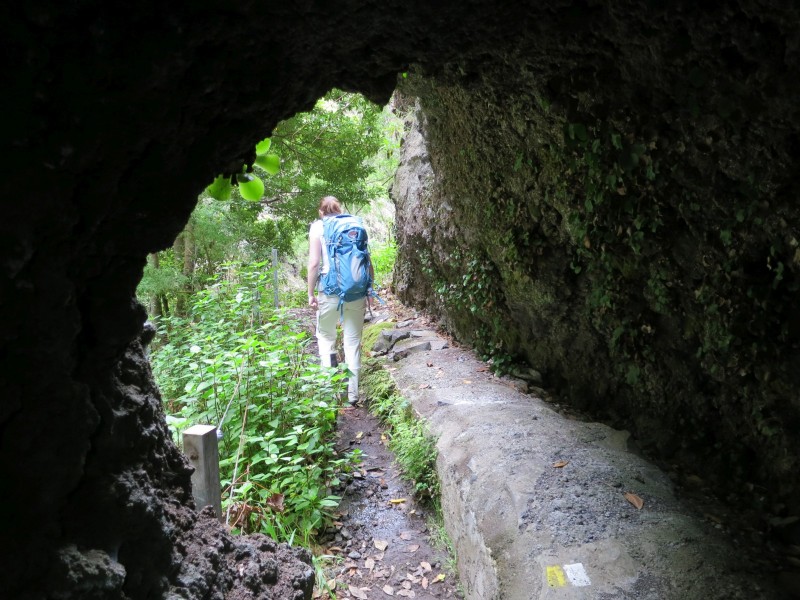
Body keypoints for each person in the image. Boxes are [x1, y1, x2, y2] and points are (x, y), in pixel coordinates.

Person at [307, 196, 372, 405]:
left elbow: (314, 263)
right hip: (356, 290)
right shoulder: (355, 223)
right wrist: (368, 286)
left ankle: (332, 391)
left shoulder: (318, 227)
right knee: (352, 342)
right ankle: (353, 396)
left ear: (321, 212)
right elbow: (366, 258)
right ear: (339, 209)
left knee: (326, 336)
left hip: (329, 288)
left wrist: (310, 293)